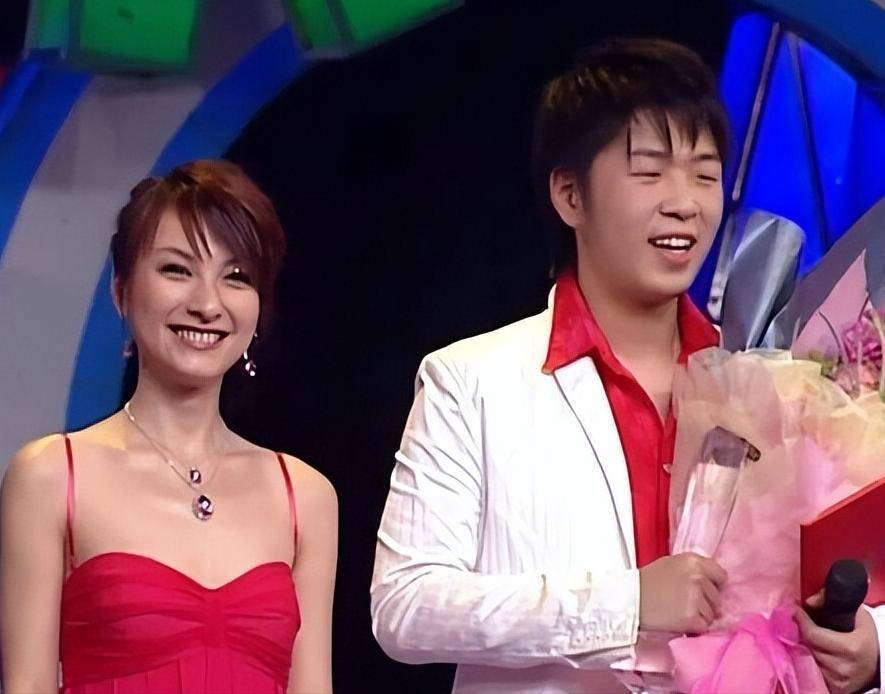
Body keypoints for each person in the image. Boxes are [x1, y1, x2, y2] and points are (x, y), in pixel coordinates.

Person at [370, 38, 883, 692]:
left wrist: (872, 646)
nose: (684, 202)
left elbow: (838, 577)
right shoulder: (471, 381)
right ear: (569, 195)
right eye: (650, 173)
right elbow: (405, 605)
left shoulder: (767, 382)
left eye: (704, 174)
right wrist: (626, 604)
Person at [0, 160, 337, 694]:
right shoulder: (51, 476)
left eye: (236, 277)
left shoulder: (305, 496)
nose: (207, 304)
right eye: (177, 270)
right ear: (121, 292)